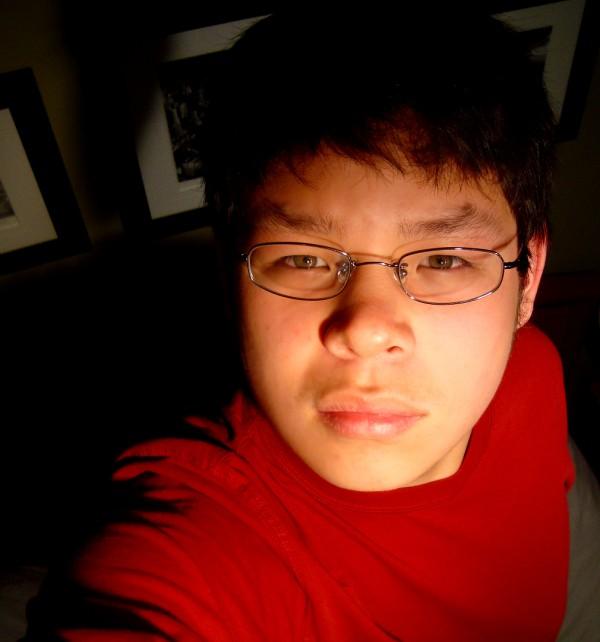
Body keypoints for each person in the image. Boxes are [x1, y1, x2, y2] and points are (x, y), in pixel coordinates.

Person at [24, 5, 599, 641]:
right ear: (229, 278)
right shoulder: (191, 553)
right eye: (303, 259)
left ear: (528, 278)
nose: (367, 329)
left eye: (444, 259)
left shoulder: (534, 369)